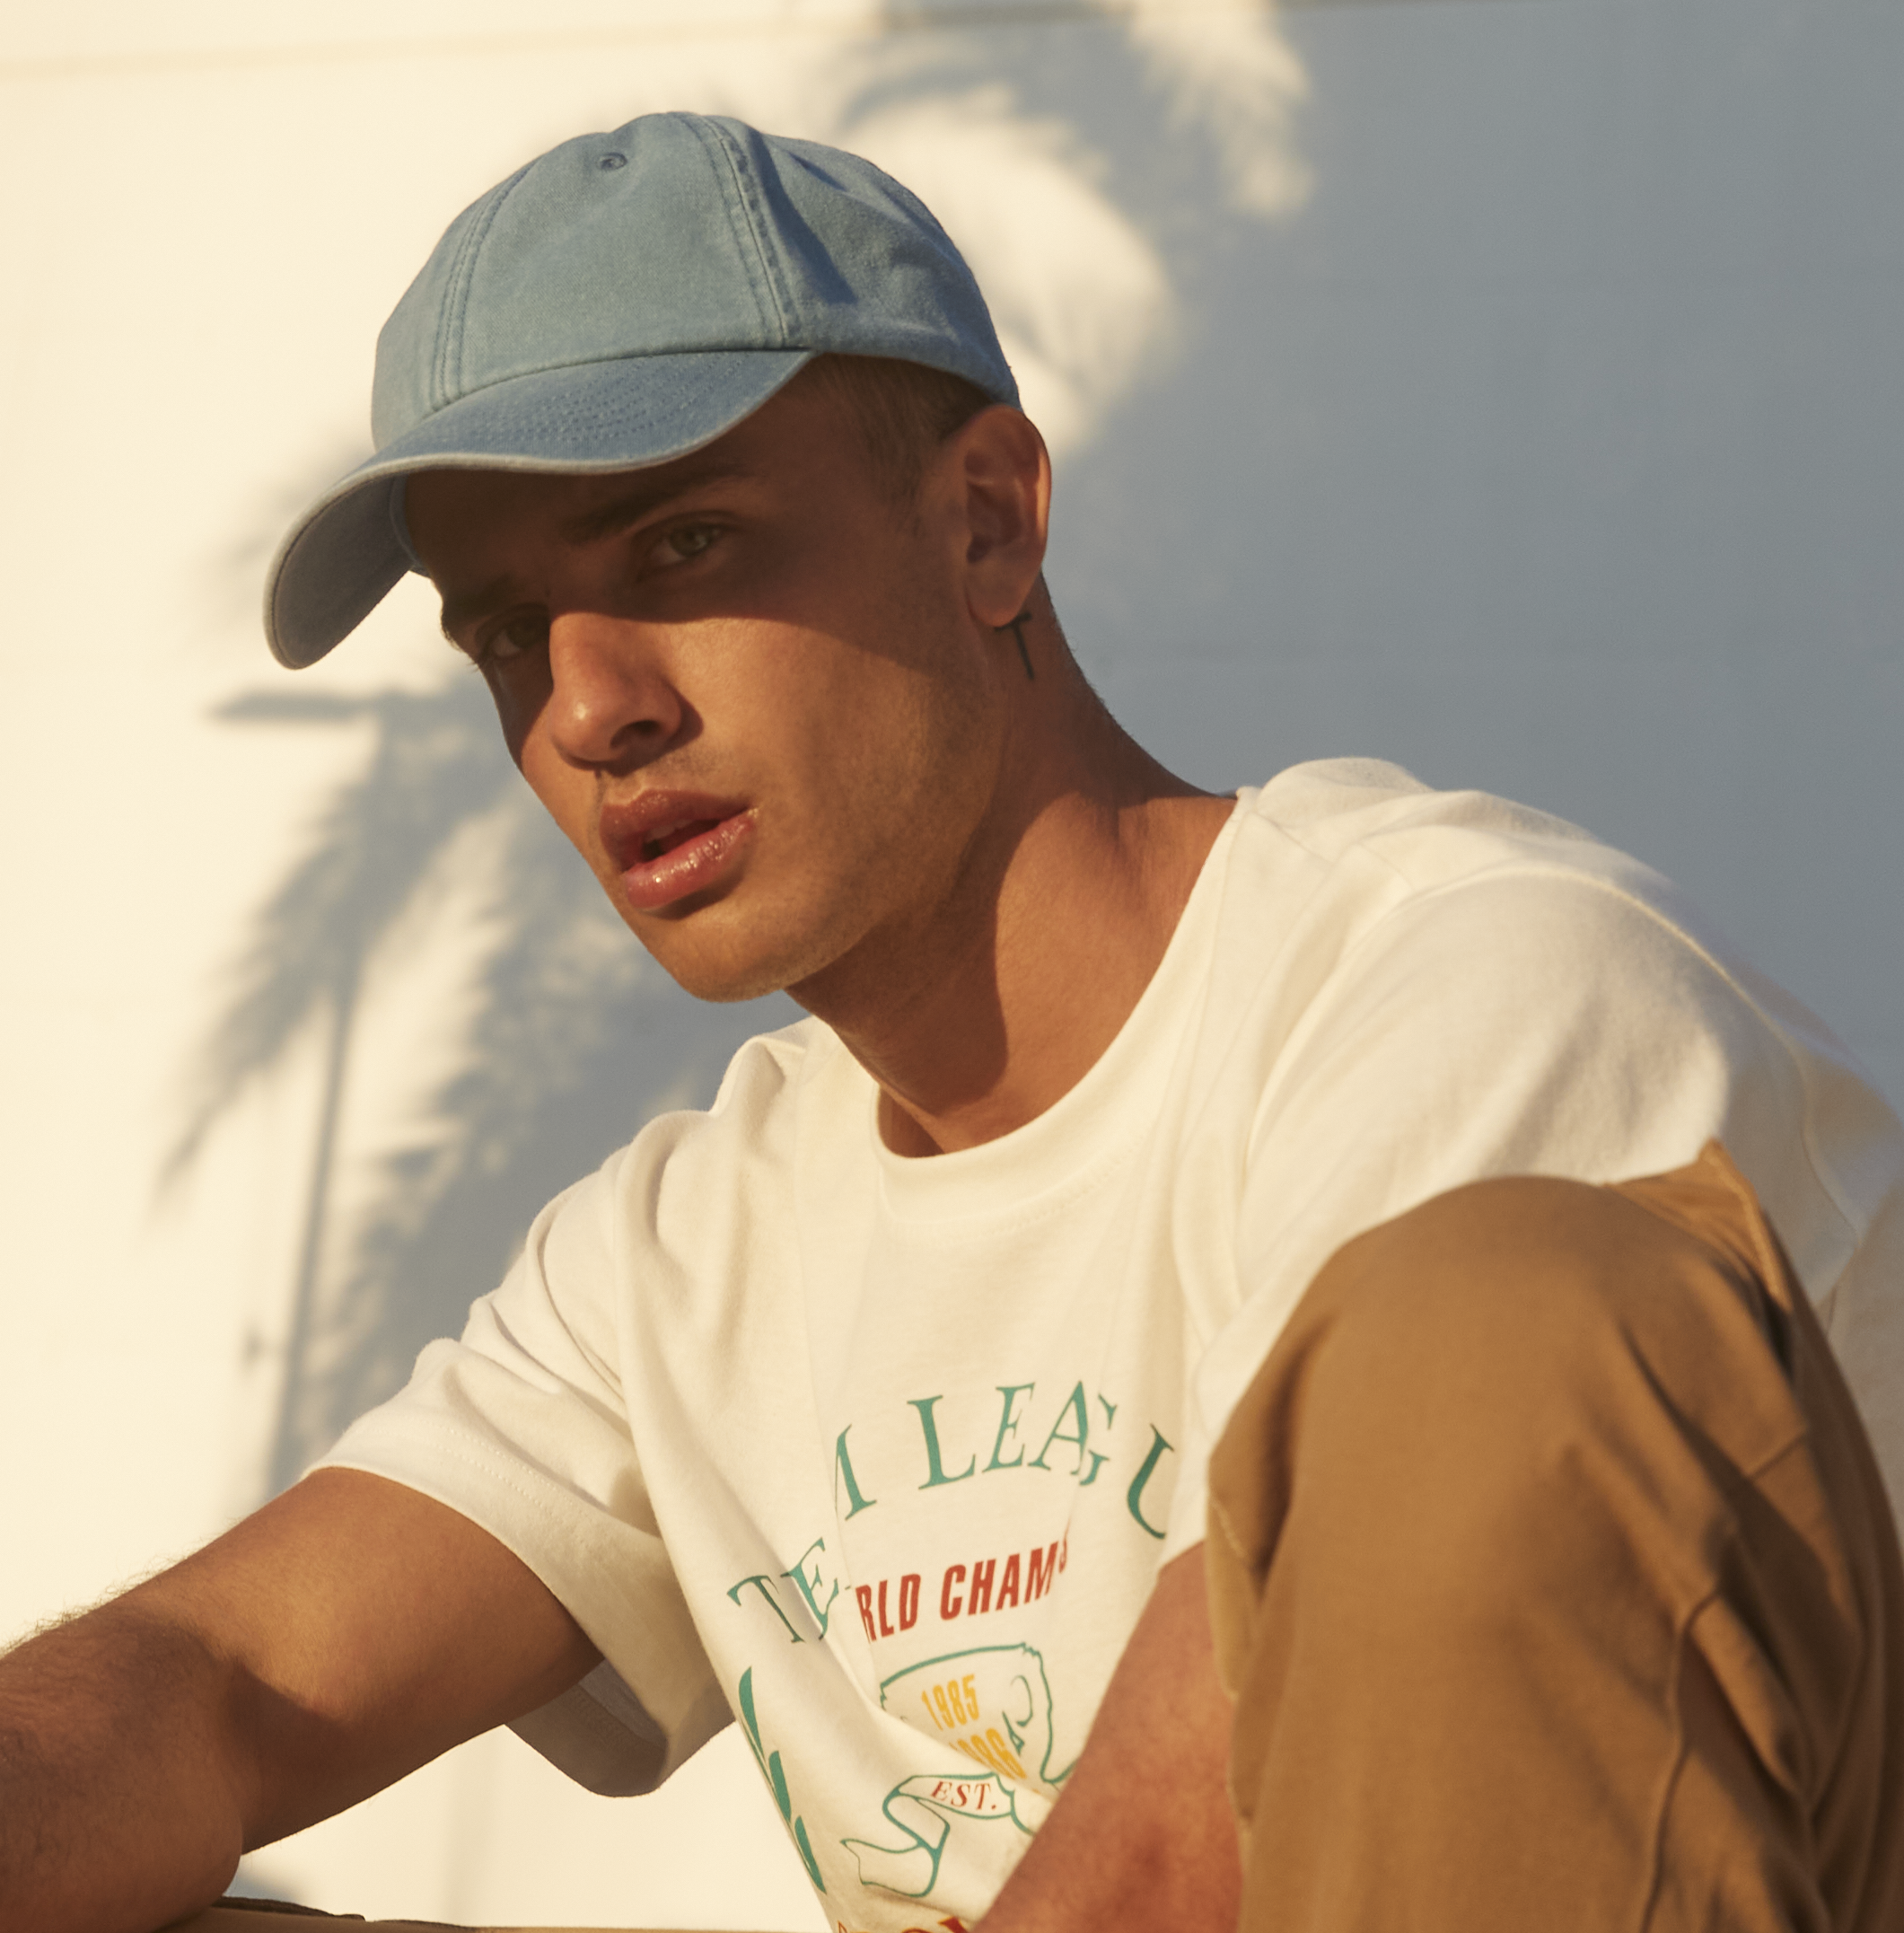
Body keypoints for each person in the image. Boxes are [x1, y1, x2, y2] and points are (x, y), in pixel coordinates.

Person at [4, 110, 1902, 1933]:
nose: (586, 709)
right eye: (509, 632)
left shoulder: (1468, 993)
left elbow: (1171, 1885)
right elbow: (221, 1674)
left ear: (989, 523)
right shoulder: (693, 1250)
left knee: (1488, 1317)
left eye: (683, 546)